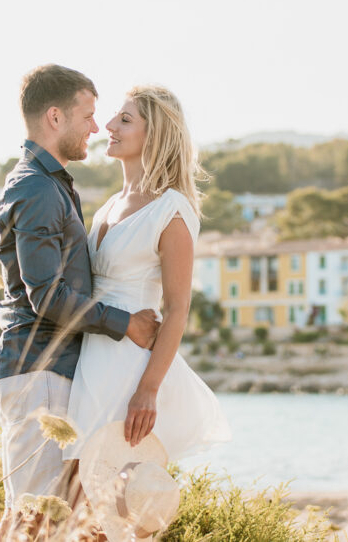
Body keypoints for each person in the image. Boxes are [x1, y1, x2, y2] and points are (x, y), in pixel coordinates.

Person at [0, 64, 161, 541]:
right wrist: (125, 323)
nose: (95, 126)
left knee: (37, 517)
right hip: (37, 367)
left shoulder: (51, 184)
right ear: (56, 117)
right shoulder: (38, 188)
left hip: (48, 369)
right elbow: (47, 298)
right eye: (87, 115)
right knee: (33, 519)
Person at [64, 85, 231, 535]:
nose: (109, 128)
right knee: (78, 495)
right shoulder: (108, 208)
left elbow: (177, 309)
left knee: (111, 501)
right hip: (91, 361)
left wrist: (149, 390)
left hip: (128, 367)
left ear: (153, 135)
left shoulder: (171, 210)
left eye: (124, 119)